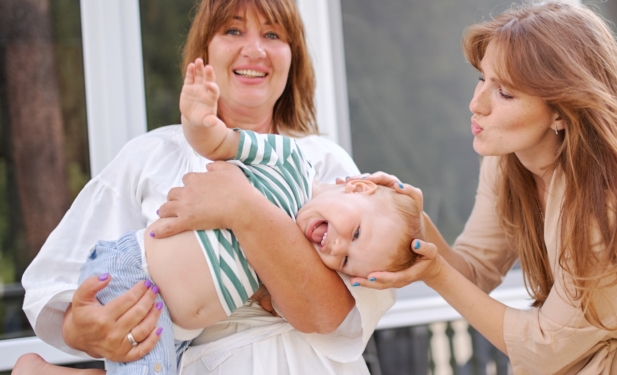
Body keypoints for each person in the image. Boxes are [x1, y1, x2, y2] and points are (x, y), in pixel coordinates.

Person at [16, 0, 396, 374]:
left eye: (272, 34)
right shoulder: (148, 159)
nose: (255, 49)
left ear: (293, 55)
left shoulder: (326, 164)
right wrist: (81, 330)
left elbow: (333, 314)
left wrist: (243, 209)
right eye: (233, 30)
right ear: (204, 52)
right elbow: (52, 284)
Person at [341, 1, 617, 374]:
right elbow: (473, 271)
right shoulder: (507, 163)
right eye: (482, 78)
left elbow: (544, 349)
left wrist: (435, 273)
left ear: (562, 112)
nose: (476, 104)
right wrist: (413, 222)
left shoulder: (608, 204)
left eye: (505, 93)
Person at [72, 57, 422, 375]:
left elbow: (318, 308)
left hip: (181, 333)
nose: (336, 246)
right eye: (355, 234)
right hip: (137, 274)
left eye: (345, 260)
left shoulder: (316, 220)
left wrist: (243, 208)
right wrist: (198, 120)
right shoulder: (290, 158)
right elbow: (218, 144)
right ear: (358, 188)